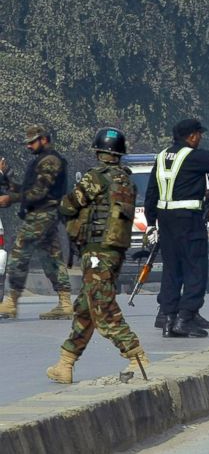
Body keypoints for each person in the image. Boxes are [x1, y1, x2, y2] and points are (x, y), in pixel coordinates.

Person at [46, 128, 150, 383]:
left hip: (97, 252)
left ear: (99, 152)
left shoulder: (96, 178)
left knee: (102, 307)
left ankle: (137, 357)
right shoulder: (126, 180)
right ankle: (65, 362)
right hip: (114, 253)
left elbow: (70, 204)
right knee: (85, 306)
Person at [145, 119, 209, 338]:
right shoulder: (192, 156)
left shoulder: (161, 157)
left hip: (165, 222)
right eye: (199, 134)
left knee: (172, 270)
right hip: (188, 220)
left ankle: (168, 317)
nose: (201, 138)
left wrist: (151, 223)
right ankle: (185, 317)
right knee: (195, 269)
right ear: (192, 136)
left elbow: (152, 192)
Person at [0, 124, 72, 320]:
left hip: (42, 214)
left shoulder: (50, 161)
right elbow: (25, 188)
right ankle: (65, 302)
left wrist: (11, 199)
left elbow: (38, 193)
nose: (29, 146)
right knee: (52, 258)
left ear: (44, 139)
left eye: (32, 142)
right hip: (44, 214)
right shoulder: (41, 161)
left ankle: (11, 301)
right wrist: (6, 177)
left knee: (19, 252)